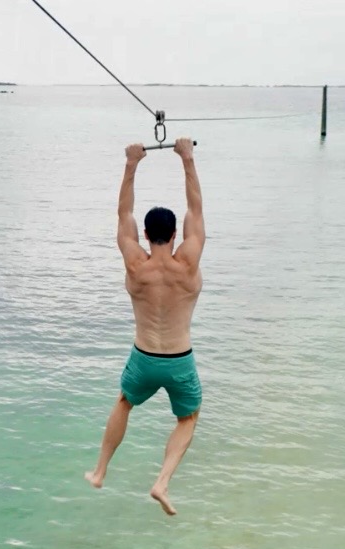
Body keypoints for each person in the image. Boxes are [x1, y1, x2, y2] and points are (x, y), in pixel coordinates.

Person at [84, 138, 205, 516]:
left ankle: (101, 471)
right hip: (179, 358)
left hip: (143, 357)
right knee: (187, 418)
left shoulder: (135, 263)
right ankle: (162, 481)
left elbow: (124, 216)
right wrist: (187, 158)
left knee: (125, 402)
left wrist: (131, 164)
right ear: (174, 236)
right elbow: (196, 210)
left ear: (146, 236)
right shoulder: (188, 261)